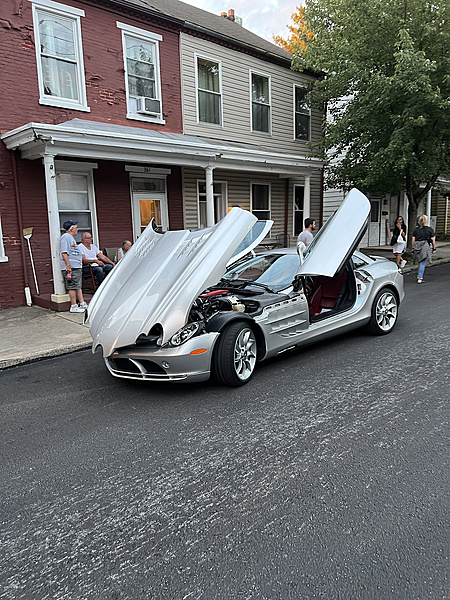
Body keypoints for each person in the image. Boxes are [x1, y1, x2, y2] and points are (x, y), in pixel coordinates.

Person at [60, 220, 88, 313]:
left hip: (76, 266)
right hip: (71, 267)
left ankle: (82, 303)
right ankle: (73, 305)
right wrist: (68, 265)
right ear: (72, 228)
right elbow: (64, 252)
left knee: (78, 285)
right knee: (72, 286)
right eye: (76, 227)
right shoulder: (65, 237)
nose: (77, 229)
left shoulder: (70, 238)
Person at [411, 215, 436, 284]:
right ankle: (420, 278)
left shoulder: (416, 230)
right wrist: (434, 248)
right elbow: (433, 239)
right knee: (422, 262)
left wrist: (413, 248)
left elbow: (413, 239)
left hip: (417, 246)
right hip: (425, 246)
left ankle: (419, 274)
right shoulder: (429, 229)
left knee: (419, 261)